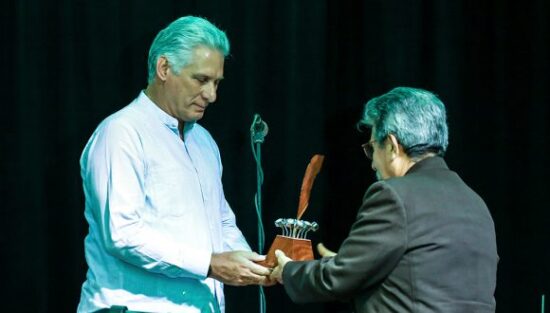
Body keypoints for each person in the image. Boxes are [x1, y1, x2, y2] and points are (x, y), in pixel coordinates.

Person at [77, 16, 272, 313]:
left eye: (217, 82)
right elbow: (122, 234)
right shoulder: (121, 133)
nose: (212, 95)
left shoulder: (203, 141)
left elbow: (220, 223)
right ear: (164, 68)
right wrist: (210, 264)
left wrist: (256, 265)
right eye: (201, 79)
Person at [270, 87, 499, 312]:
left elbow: (338, 279)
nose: (371, 163)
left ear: (391, 145)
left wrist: (290, 270)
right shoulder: (475, 203)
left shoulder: (394, 195)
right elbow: (422, 277)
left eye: (371, 148)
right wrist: (351, 262)